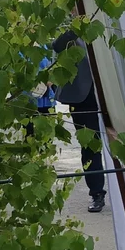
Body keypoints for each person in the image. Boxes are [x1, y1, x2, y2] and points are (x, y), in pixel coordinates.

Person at [52, 30, 106, 213]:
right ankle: (97, 193)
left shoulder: (108, 28)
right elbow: (57, 46)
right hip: (82, 99)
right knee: (90, 146)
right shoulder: (72, 36)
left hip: (109, 96)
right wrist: (75, 31)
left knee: (123, 141)